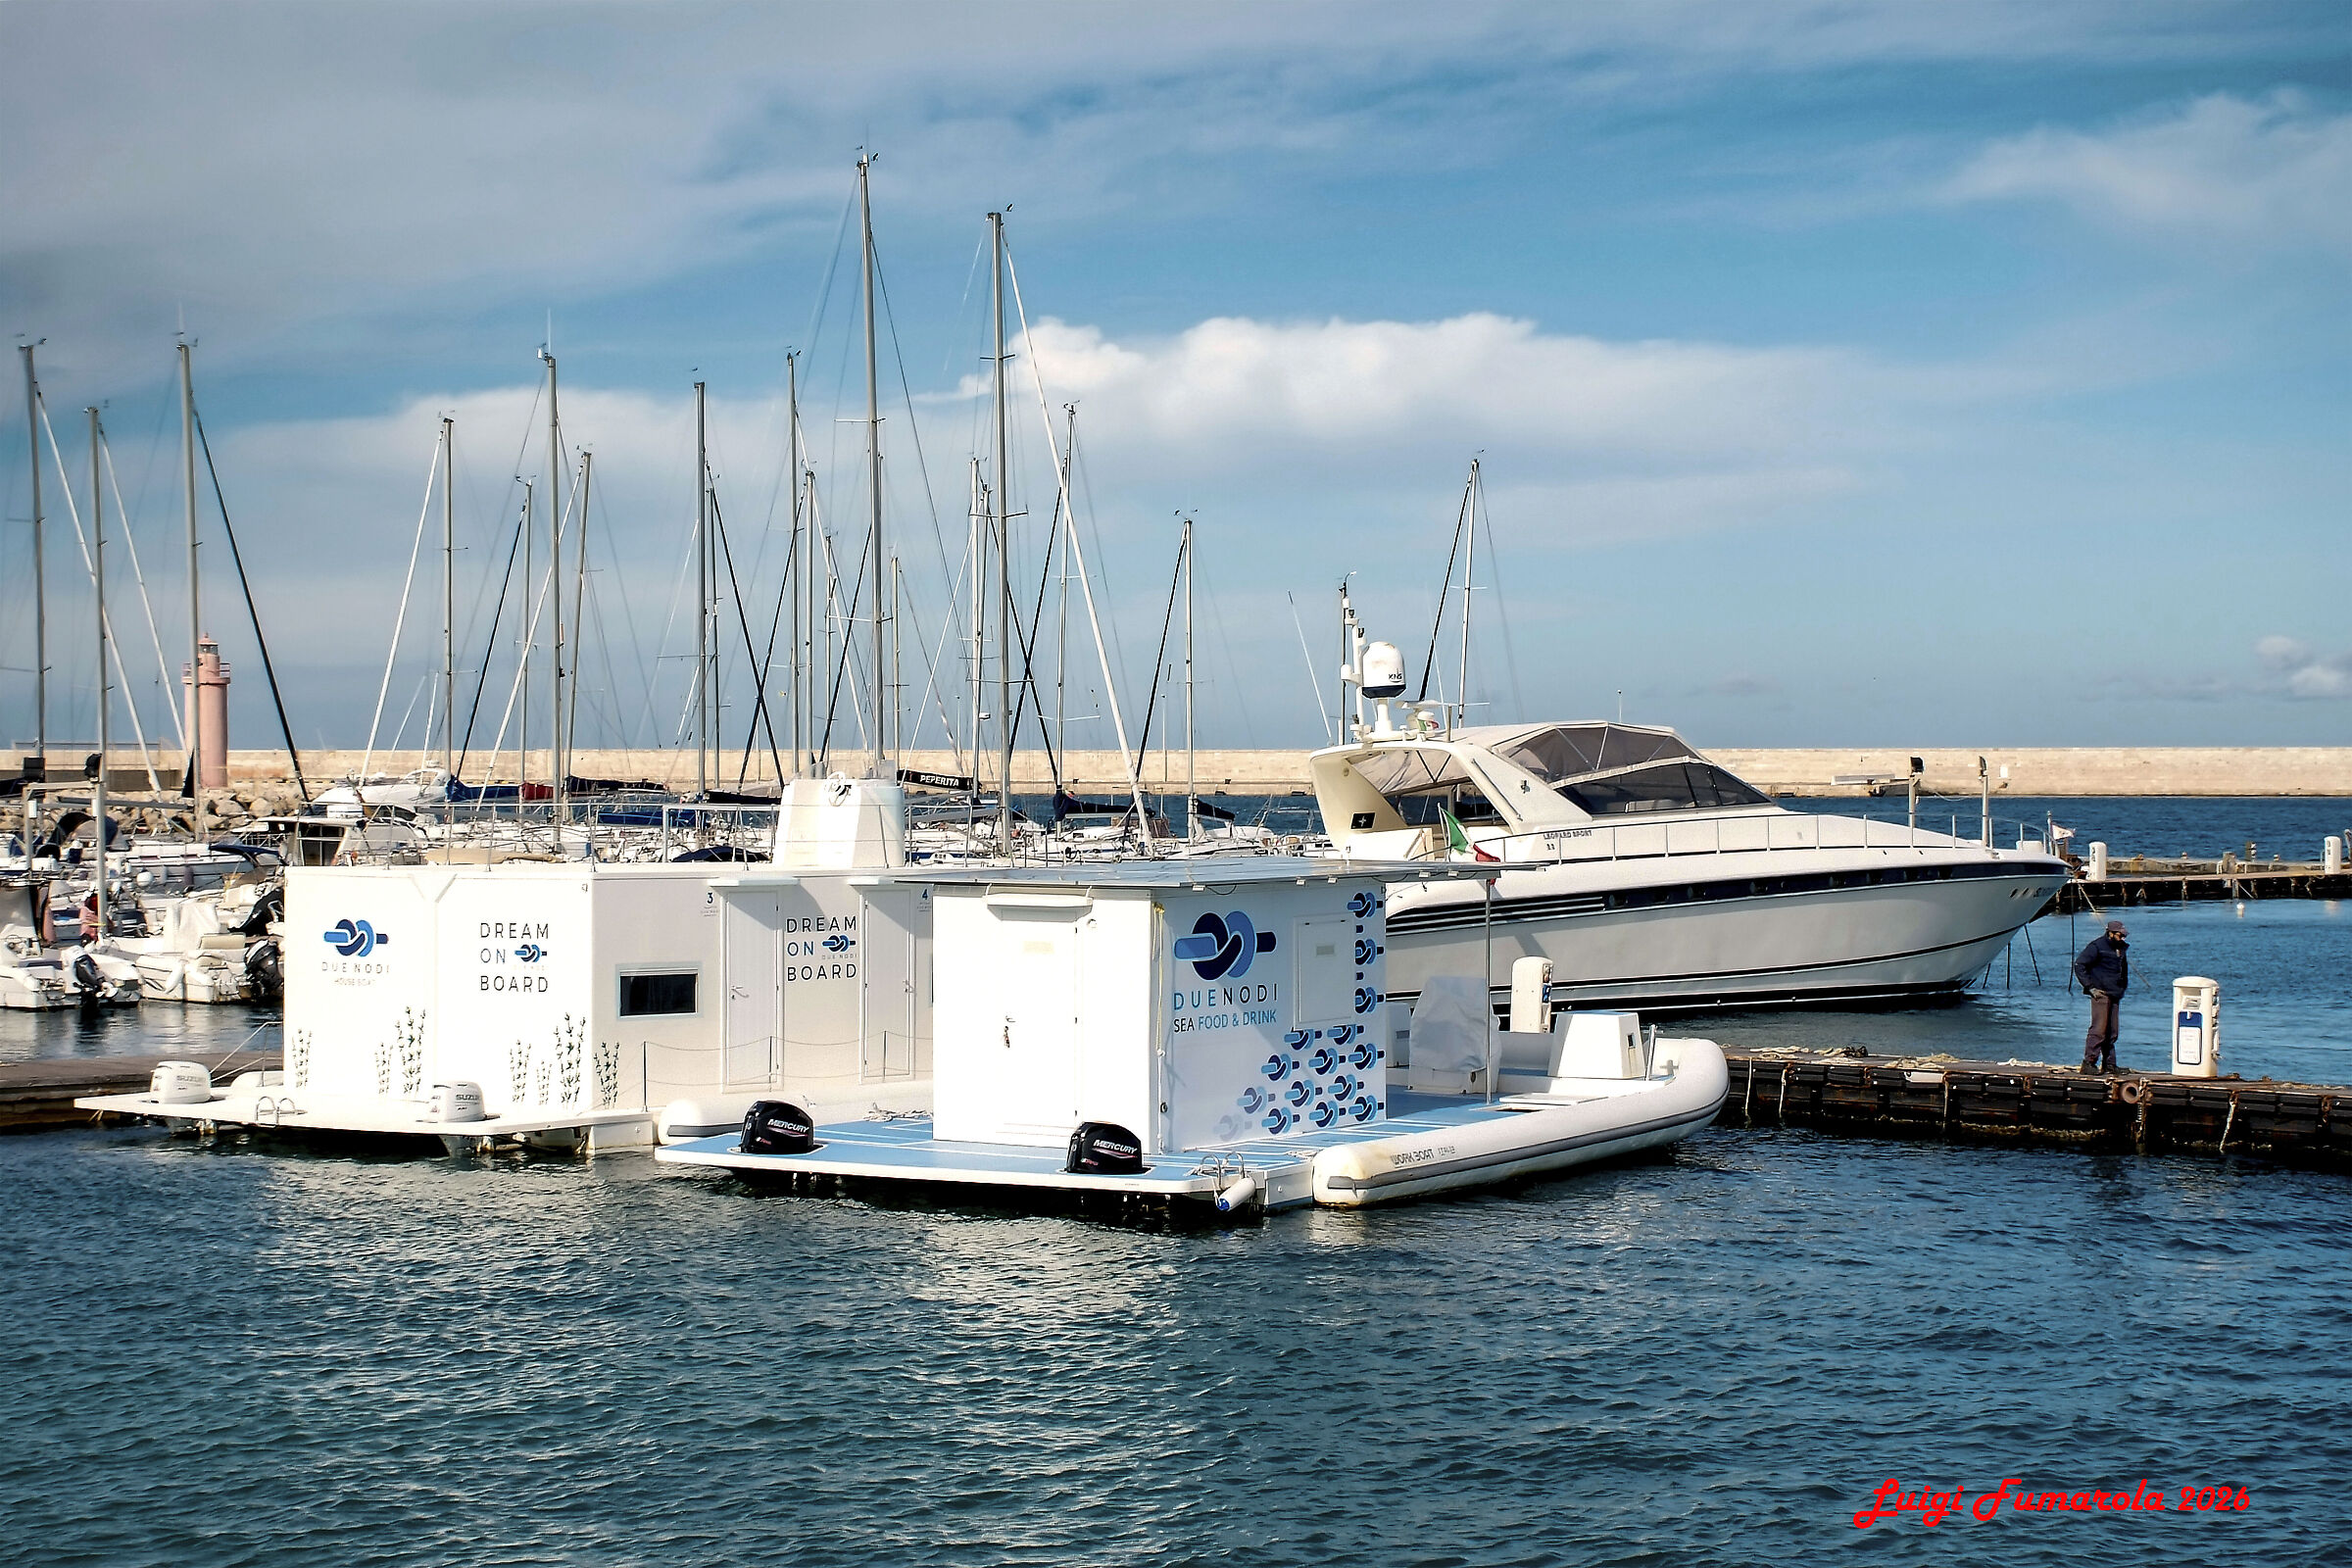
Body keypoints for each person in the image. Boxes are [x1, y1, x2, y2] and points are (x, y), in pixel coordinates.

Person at [2072, 918, 2130, 1073]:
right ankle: (2089, 1063)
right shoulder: (2096, 946)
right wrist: (2090, 987)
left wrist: (2122, 987)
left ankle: (2109, 1064)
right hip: (2101, 993)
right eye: (2119, 935)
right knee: (2099, 1029)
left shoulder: (2121, 948)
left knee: (2112, 1031)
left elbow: (2123, 969)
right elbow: (2079, 965)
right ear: (2110, 933)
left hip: (2115, 992)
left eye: (2124, 935)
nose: (2122, 938)